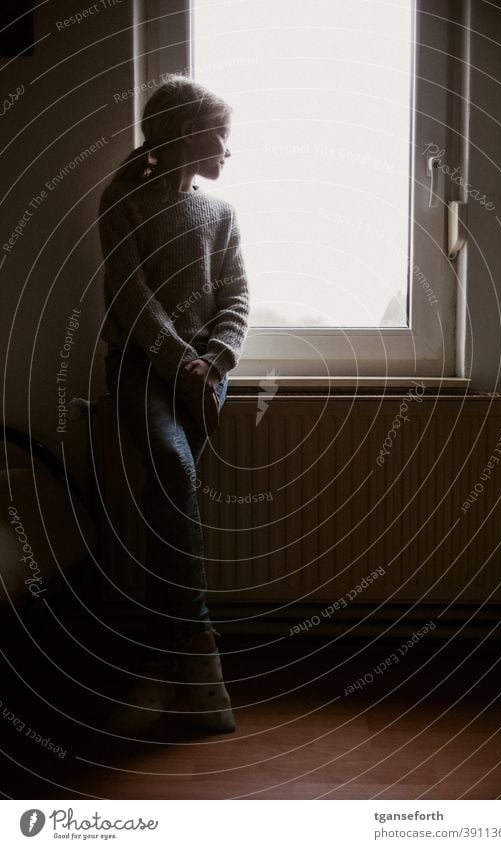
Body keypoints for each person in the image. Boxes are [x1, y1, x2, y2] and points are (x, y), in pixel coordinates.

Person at [98, 75, 249, 735]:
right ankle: (199, 653)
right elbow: (129, 299)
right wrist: (178, 361)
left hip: (204, 375)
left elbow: (236, 298)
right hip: (141, 367)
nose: (229, 149)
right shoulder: (121, 200)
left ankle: (161, 666)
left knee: (168, 501)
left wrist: (211, 363)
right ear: (188, 133)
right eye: (222, 133)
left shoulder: (221, 215)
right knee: (172, 467)